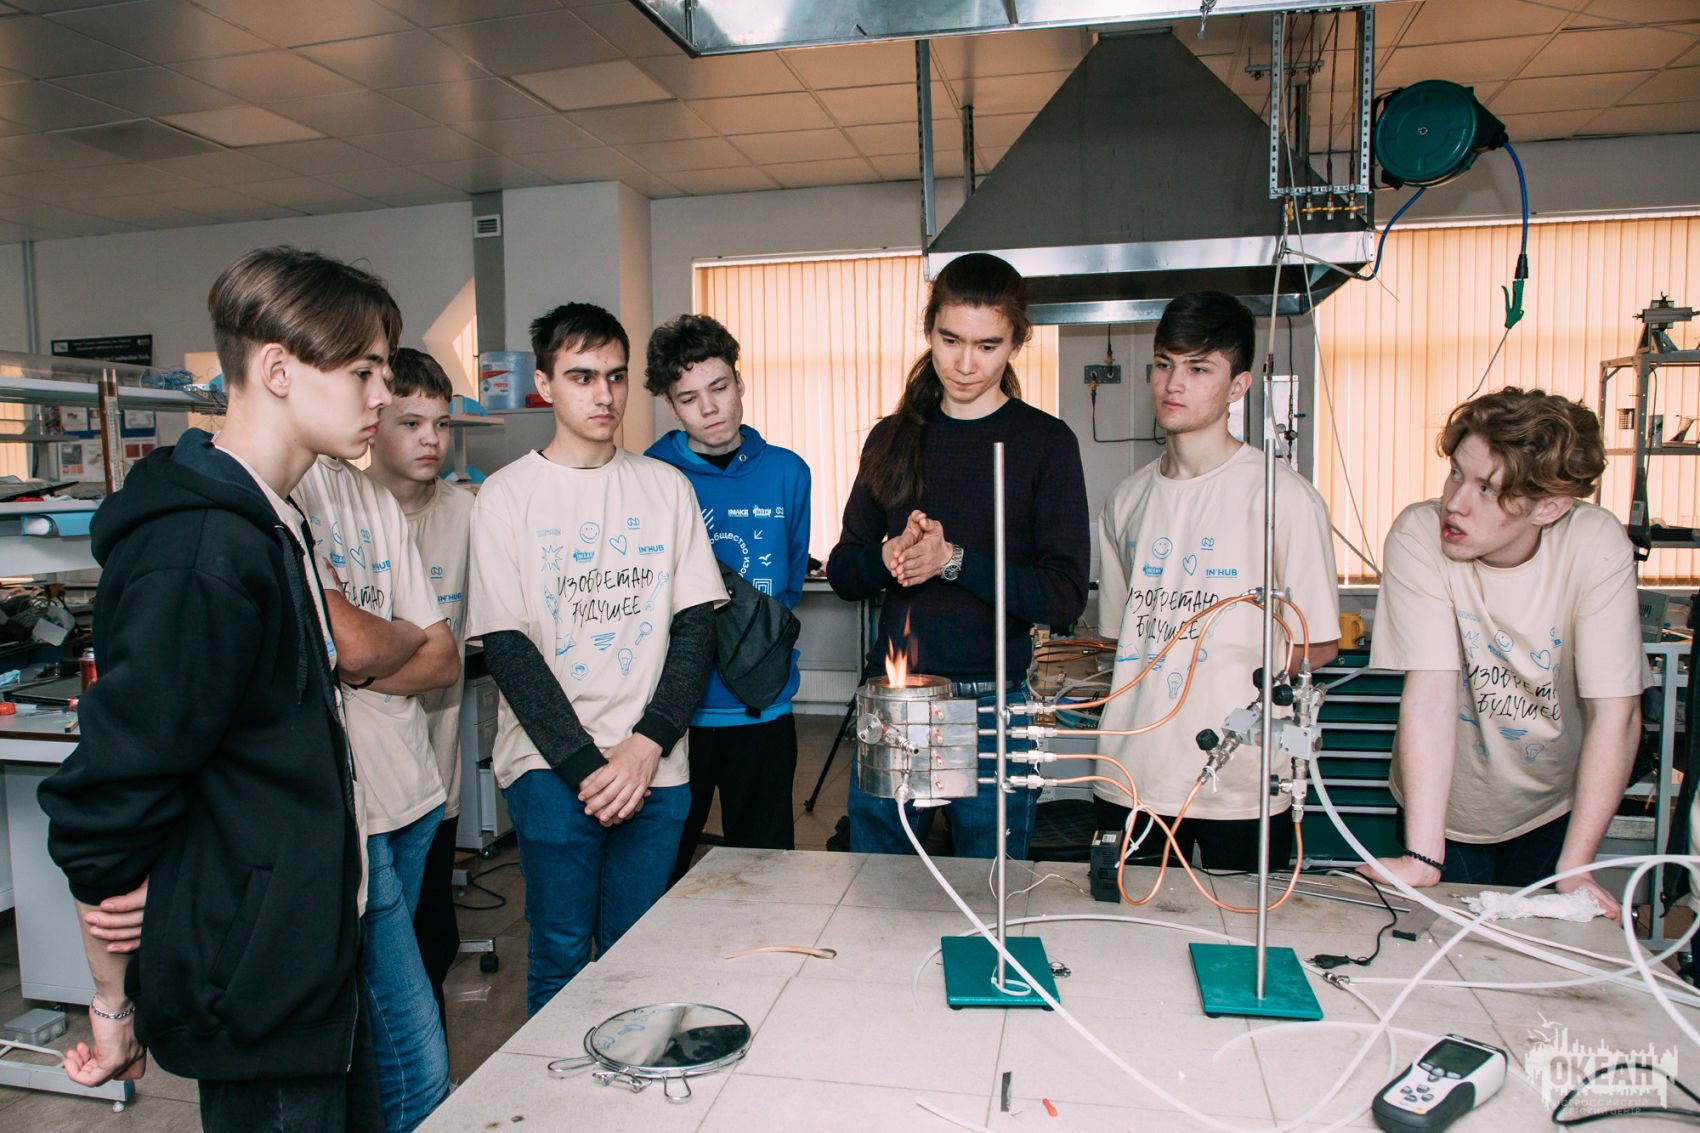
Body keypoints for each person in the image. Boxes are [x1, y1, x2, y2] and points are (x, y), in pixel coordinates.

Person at [38, 246, 399, 1131]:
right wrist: (113, 1003)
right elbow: (109, 794)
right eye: (364, 370)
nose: (383, 396)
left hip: (305, 959)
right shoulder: (200, 553)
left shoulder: (271, 521)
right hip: (257, 987)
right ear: (277, 369)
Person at [467, 303, 725, 1015]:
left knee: (635, 960)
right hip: (550, 770)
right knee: (559, 955)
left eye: (615, 376)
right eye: (582, 376)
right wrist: (588, 769)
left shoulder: (666, 488)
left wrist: (644, 748)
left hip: (656, 766)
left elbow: (695, 631)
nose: (604, 394)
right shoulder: (505, 497)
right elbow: (509, 650)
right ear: (545, 385)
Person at [826, 252, 1089, 859]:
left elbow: (1064, 595)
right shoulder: (892, 438)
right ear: (929, 330)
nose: (965, 364)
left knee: (989, 885)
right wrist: (889, 555)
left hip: (996, 702)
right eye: (950, 340)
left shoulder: (1045, 443)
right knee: (878, 882)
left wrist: (954, 561)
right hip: (897, 696)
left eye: (987, 346)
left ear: (1016, 343)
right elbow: (843, 570)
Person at [1364, 388, 1644, 920]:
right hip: (1444, 803)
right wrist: (1423, 857)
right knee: (1442, 942)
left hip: (1552, 802)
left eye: (1488, 489)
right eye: (1456, 473)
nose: (1455, 502)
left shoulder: (1595, 543)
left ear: (1549, 507)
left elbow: (1617, 713)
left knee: (1531, 942)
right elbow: (1430, 697)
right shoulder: (1419, 535)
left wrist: (1576, 867)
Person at [1094, 291, 1340, 871]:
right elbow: (1119, 639)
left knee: (1243, 924)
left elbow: (1320, 643)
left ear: (1238, 386)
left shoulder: (1283, 499)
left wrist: (1237, 692)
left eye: (1199, 368)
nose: (1173, 384)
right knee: (1123, 924)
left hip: (1240, 781)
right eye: (1163, 364)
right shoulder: (1126, 501)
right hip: (1132, 774)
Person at [294, 354, 461, 1131]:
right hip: (349, 813)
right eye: (365, 376)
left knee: (389, 1039)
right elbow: (360, 644)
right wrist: (384, 640)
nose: (378, 397)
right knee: (414, 1063)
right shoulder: (284, 494)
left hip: (411, 793)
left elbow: (443, 657)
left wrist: (363, 653)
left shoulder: (371, 500)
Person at [643, 314, 811, 883]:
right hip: (670, 713)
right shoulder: (649, 474)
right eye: (689, 398)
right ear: (671, 406)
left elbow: (789, 583)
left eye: (718, 388)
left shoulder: (789, 472)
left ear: (740, 383)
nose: (709, 408)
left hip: (762, 706)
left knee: (765, 872)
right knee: (658, 874)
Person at [362, 348, 475, 1035]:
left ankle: (425, 1085)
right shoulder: (341, 509)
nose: (431, 439)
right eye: (411, 423)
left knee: (431, 945)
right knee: (371, 960)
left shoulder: (468, 514)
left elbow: (449, 659)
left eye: (441, 424)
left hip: (437, 776)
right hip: (364, 788)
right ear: (373, 421)